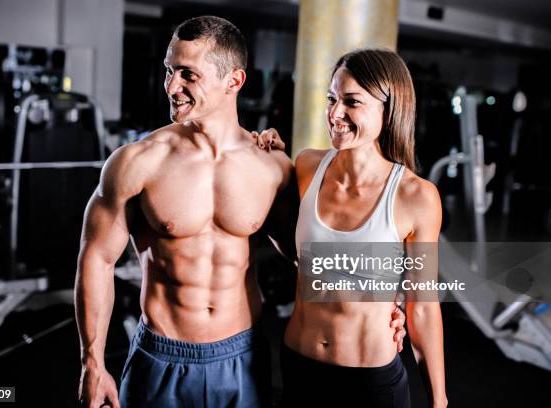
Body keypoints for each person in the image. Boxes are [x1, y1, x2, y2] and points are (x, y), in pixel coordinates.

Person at [75, 16, 405, 408]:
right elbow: (96, 257)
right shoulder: (136, 163)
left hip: (243, 357)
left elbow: (307, 254)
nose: (171, 86)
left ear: (233, 81)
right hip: (161, 355)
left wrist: (387, 301)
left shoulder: (271, 166)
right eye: (169, 70)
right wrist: (92, 361)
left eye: (187, 74)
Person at [271, 49, 447, 407]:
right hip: (297, 364)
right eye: (332, 99)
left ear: (389, 108)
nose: (335, 114)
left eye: (352, 102)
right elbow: (297, 254)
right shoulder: (306, 166)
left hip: (369, 382)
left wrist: (439, 400)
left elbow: (423, 307)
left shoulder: (417, 196)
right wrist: (267, 159)